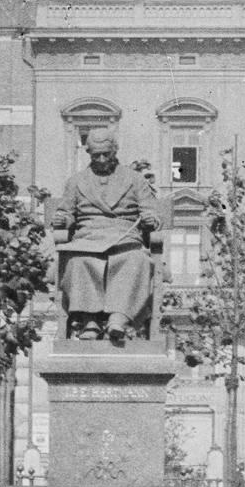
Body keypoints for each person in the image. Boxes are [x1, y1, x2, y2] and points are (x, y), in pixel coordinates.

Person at [48, 129, 162, 343]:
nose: (101, 160)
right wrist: (62, 220)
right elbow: (66, 211)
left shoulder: (135, 180)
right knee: (79, 262)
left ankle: (118, 319)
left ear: (115, 151)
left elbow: (152, 212)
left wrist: (150, 220)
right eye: (96, 155)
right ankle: (89, 320)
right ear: (89, 153)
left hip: (125, 239)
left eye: (106, 154)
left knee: (137, 261)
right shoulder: (76, 181)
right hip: (88, 239)